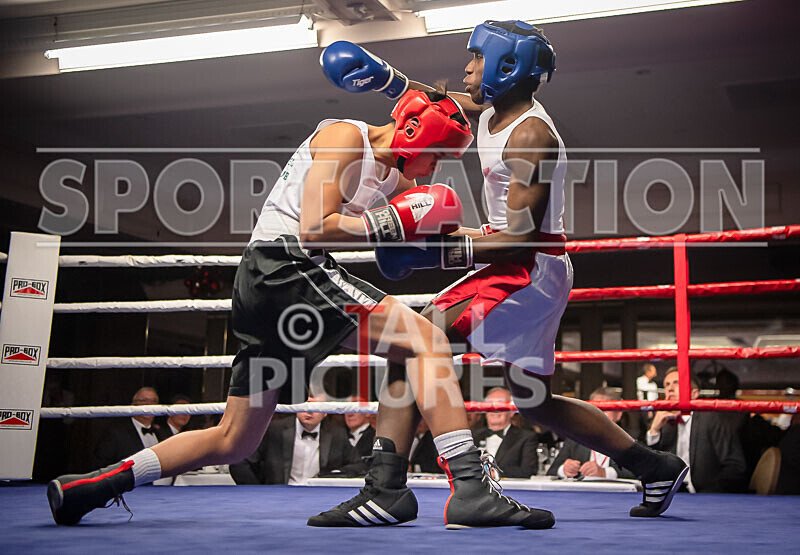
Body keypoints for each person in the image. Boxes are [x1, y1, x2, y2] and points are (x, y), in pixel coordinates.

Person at [47, 88, 545, 530]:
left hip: (266, 286)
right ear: (415, 132)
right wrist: (395, 223)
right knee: (427, 340)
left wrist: (503, 239)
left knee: (234, 440)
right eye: (436, 156)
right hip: (287, 266)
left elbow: (413, 235)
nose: (434, 170)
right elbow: (314, 229)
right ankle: (470, 486)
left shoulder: (390, 178)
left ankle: (93, 486)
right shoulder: (345, 136)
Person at [320, 20, 688, 520]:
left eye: (475, 57)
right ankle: (654, 466)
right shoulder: (495, 108)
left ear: (507, 67)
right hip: (526, 265)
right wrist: (387, 79)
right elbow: (442, 103)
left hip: (527, 268)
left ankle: (386, 489)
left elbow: (518, 239)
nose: (467, 67)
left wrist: (433, 252)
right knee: (534, 400)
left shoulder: (531, 135)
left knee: (414, 338)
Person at [646, 367, 747, 493]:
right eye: (666, 384)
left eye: (676, 383)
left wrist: (709, 495)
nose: (670, 388)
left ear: (694, 394)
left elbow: (735, 466)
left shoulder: (711, 418)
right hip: (671, 497)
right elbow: (649, 466)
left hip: (707, 497)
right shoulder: (664, 422)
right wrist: (654, 431)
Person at [229, 395, 354, 485]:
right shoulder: (274, 430)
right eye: (305, 404)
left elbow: (359, 465)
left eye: (315, 406)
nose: (309, 410)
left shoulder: (337, 435)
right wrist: (257, 492)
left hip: (319, 496)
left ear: (325, 412)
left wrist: (334, 475)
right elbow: (240, 463)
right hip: (279, 496)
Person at [547, 388, 635, 479]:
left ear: (618, 414)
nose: (598, 414)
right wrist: (563, 470)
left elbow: (642, 473)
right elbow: (551, 472)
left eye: (605, 409)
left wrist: (605, 473)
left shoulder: (629, 441)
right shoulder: (575, 440)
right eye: (594, 409)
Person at [93, 387, 170, 468]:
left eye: (153, 401)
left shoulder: (163, 434)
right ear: (133, 405)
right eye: (144, 400)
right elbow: (101, 466)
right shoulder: (116, 433)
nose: (149, 405)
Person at [472, 387, 539, 478]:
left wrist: (495, 473)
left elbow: (528, 470)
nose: (495, 409)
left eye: (500, 404)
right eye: (490, 404)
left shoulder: (526, 437)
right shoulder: (472, 437)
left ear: (511, 411)